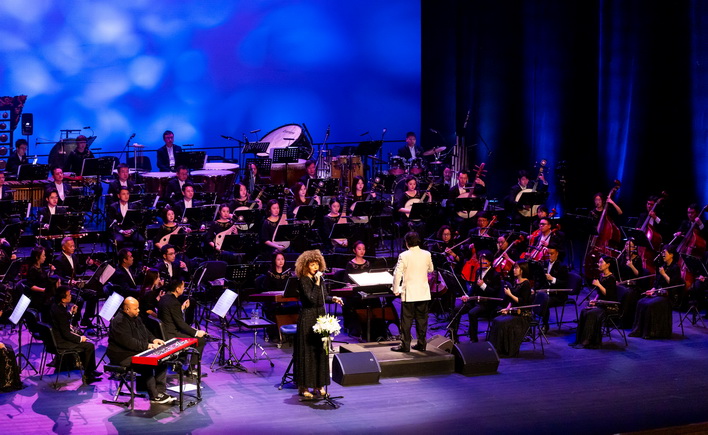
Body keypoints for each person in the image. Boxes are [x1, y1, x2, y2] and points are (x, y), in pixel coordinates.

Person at [293, 250, 343, 399]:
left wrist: (333, 298)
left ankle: (319, 385)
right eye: (312, 265)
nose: (315, 267)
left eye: (317, 264)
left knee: (320, 351)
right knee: (308, 352)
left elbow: (322, 297)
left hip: (319, 316)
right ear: (305, 266)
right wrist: (316, 282)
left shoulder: (319, 279)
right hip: (308, 317)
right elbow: (311, 299)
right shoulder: (303, 280)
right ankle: (304, 386)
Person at [107, 297, 175, 404]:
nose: (138, 310)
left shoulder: (135, 317)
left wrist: (154, 339)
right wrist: (148, 346)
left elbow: (145, 331)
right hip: (121, 355)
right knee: (146, 363)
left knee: (162, 359)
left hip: (135, 350)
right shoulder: (119, 322)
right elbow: (128, 342)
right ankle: (154, 396)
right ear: (127, 309)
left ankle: (160, 391)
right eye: (135, 309)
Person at [391, 232, 434, 352]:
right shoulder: (427, 254)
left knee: (407, 320)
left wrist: (395, 289)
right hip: (423, 293)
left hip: (409, 293)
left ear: (406, 243)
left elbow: (397, 274)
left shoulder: (404, 255)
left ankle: (405, 345)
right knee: (422, 320)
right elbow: (431, 269)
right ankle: (421, 344)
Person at [50, 286, 102, 383]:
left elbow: (63, 321)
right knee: (89, 346)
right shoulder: (60, 312)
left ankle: (90, 370)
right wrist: (80, 339)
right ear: (63, 299)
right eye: (69, 295)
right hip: (61, 342)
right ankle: (88, 375)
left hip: (57, 338)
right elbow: (66, 334)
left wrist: (71, 313)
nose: (71, 296)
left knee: (86, 344)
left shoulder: (56, 306)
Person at [629, 246, 683, 339]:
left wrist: (664, 274)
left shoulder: (675, 268)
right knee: (641, 302)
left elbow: (673, 284)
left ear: (671, 255)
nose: (663, 255)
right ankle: (639, 330)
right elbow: (657, 282)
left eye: (665, 253)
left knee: (649, 305)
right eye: (662, 253)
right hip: (658, 293)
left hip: (668, 295)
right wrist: (653, 289)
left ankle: (651, 332)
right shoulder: (663, 266)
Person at [448, 251, 502, 343]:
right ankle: (453, 336)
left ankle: (473, 338)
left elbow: (494, 292)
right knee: (456, 309)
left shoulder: (495, 275)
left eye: (485, 259)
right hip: (475, 300)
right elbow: (473, 288)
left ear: (490, 261)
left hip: (486, 303)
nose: (482, 261)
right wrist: (467, 295)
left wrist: (483, 285)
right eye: (481, 259)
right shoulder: (478, 271)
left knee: (472, 313)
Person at [158, 280, 207, 378]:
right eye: (183, 287)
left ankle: (179, 363)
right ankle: (192, 370)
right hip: (171, 334)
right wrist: (196, 332)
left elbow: (173, 316)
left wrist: (181, 309)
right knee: (200, 340)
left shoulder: (164, 298)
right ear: (177, 289)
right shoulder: (174, 302)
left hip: (165, 331)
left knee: (188, 333)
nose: (184, 289)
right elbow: (180, 324)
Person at [570, 256, 618, 349]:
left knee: (592, 313)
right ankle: (579, 340)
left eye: (601, 262)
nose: (599, 264)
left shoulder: (611, 278)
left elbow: (609, 294)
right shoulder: (602, 276)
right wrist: (594, 300)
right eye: (599, 262)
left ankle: (587, 341)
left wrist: (599, 285)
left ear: (608, 265)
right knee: (584, 311)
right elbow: (599, 293)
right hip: (601, 304)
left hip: (609, 305)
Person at [488, 261, 533, 357]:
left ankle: (504, 350)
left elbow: (522, 302)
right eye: (514, 268)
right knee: (496, 320)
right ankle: (494, 349)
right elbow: (511, 301)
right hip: (514, 312)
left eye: (516, 268)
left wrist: (510, 294)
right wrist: (507, 309)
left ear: (522, 270)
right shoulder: (516, 281)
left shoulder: (526, 284)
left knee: (502, 323)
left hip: (522, 315)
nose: (514, 270)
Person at [52, 237, 97, 329]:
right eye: (71, 246)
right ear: (64, 247)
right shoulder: (58, 260)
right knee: (79, 300)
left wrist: (87, 264)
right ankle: (74, 322)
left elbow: (79, 270)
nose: (73, 248)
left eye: (73, 246)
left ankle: (86, 319)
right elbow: (57, 276)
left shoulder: (74, 257)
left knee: (93, 295)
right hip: (66, 288)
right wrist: (68, 281)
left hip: (75, 287)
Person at [538, 246, 570, 332]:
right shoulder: (545, 264)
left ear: (557, 254)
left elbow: (565, 283)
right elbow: (541, 281)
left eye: (552, 254)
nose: (550, 256)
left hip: (558, 295)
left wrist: (553, 279)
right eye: (548, 254)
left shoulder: (562, 266)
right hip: (546, 292)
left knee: (544, 301)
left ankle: (545, 324)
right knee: (532, 297)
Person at [107, 186, 144, 253]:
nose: (126, 196)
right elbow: (110, 222)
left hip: (131, 230)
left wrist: (132, 230)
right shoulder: (113, 207)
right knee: (118, 240)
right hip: (119, 231)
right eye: (123, 194)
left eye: (127, 194)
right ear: (118, 196)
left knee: (141, 240)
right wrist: (121, 231)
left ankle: (137, 258)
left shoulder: (134, 206)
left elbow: (138, 221)